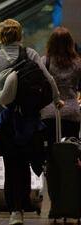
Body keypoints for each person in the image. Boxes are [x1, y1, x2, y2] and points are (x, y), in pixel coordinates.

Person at [0, 18, 61, 225]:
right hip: (29, 119)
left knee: (11, 164)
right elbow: (49, 79)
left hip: (7, 119)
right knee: (27, 162)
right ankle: (24, 201)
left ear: (0, 36)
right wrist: (57, 99)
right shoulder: (30, 54)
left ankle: (15, 211)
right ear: (20, 35)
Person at [40, 26, 81, 203]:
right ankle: (70, 199)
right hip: (72, 113)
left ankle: (56, 201)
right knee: (72, 156)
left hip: (50, 113)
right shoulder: (78, 63)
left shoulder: (45, 61)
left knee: (51, 158)